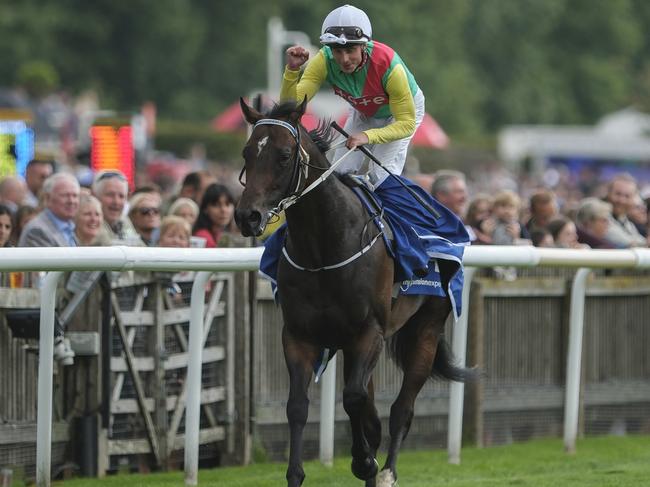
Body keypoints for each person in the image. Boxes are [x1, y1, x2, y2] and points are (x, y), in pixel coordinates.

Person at [280, 4, 469, 281]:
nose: (344, 59)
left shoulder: (389, 66)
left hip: (400, 115)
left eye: (351, 50)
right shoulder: (322, 60)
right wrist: (292, 71)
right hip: (363, 112)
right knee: (338, 176)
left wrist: (368, 137)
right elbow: (291, 108)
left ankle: (408, 251)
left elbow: (404, 123)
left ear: (364, 47)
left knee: (378, 179)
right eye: (338, 51)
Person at [18, 173, 80, 247]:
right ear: (47, 198)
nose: (71, 201)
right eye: (65, 195)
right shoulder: (37, 230)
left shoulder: (69, 227)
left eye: (75, 196)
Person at [91, 170, 139, 244]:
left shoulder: (124, 221)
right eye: (110, 195)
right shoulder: (90, 222)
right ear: (95, 196)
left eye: (121, 196)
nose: (116, 202)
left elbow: (142, 249)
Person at [603, 174, 646, 248]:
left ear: (633, 199)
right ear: (608, 193)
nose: (622, 200)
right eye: (618, 194)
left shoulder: (625, 221)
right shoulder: (599, 214)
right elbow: (625, 242)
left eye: (627, 196)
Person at [193, 183, 236, 248]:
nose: (223, 210)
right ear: (205, 209)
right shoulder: (202, 237)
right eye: (216, 205)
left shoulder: (232, 234)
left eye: (227, 204)